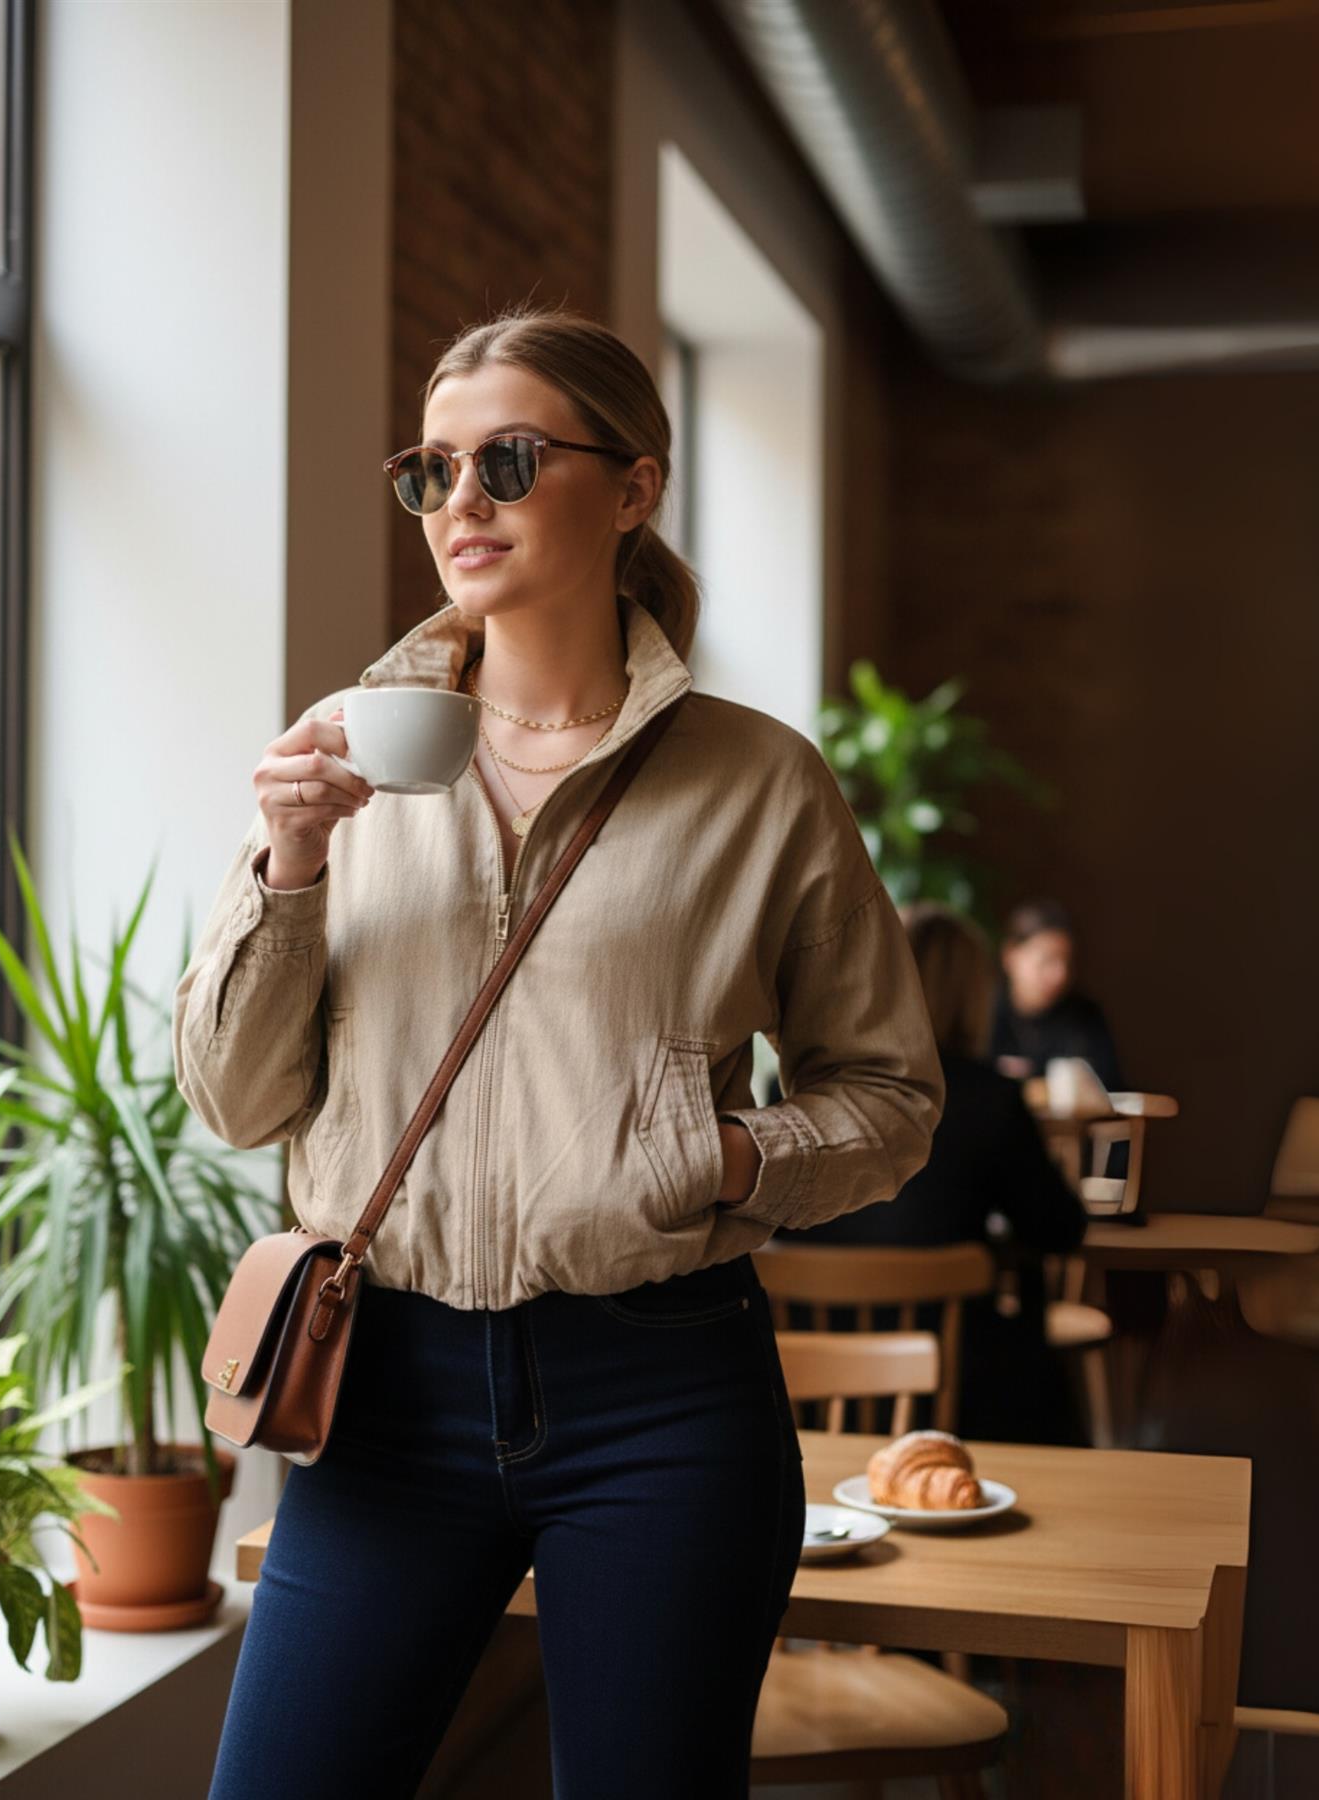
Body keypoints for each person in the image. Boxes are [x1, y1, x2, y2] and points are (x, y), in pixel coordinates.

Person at [174, 302, 944, 1799]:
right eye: (432, 470)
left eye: (511, 461)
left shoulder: (759, 780)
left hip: (661, 1393)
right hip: (381, 1389)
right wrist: (289, 866)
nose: (461, 501)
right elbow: (236, 1097)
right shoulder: (339, 754)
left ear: (634, 487)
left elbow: (893, 1095)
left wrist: (723, 1155)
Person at [775, 903, 1089, 1446]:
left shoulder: (797, 1091)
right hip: (950, 1393)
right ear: (973, 994)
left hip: (813, 1389)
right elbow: (1060, 1228)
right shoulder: (989, 1098)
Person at [988, 897, 1124, 1091]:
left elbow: (1109, 1087)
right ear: (1010, 955)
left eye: (1066, 962)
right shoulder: (983, 1012)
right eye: (1047, 960)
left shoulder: (1084, 1016)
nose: (1060, 975)